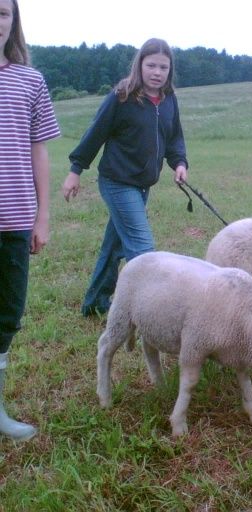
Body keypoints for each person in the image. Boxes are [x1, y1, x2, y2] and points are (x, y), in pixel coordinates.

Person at [62, 38, 188, 317]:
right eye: (151, 65)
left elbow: (174, 136)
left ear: (170, 70)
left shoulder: (168, 101)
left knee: (114, 246)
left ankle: (95, 302)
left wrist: (179, 162)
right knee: (143, 250)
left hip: (142, 186)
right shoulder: (122, 96)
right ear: (139, 65)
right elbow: (95, 133)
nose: (157, 72)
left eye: (163, 67)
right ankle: (151, 315)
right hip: (117, 182)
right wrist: (75, 170)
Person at [0, 0, 61, 441]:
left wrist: (42, 215)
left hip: (15, 221)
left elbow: (40, 150)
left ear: (13, 22)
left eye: (3, 12)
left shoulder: (30, 81)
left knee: (6, 316)